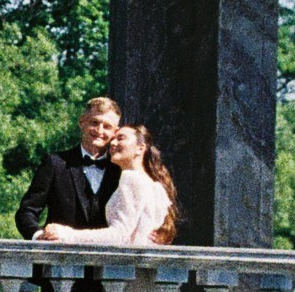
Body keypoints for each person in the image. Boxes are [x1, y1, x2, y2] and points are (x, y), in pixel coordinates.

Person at [16, 97, 180, 244]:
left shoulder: (121, 169)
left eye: (107, 126)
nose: (100, 131)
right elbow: (26, 212)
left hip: (106, 265)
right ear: (82, 123)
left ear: (115, 131)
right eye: (94, 123)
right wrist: (39, 237)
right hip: (59, 262)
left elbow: (130, 226)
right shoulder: (55, 163)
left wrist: (161, 232)